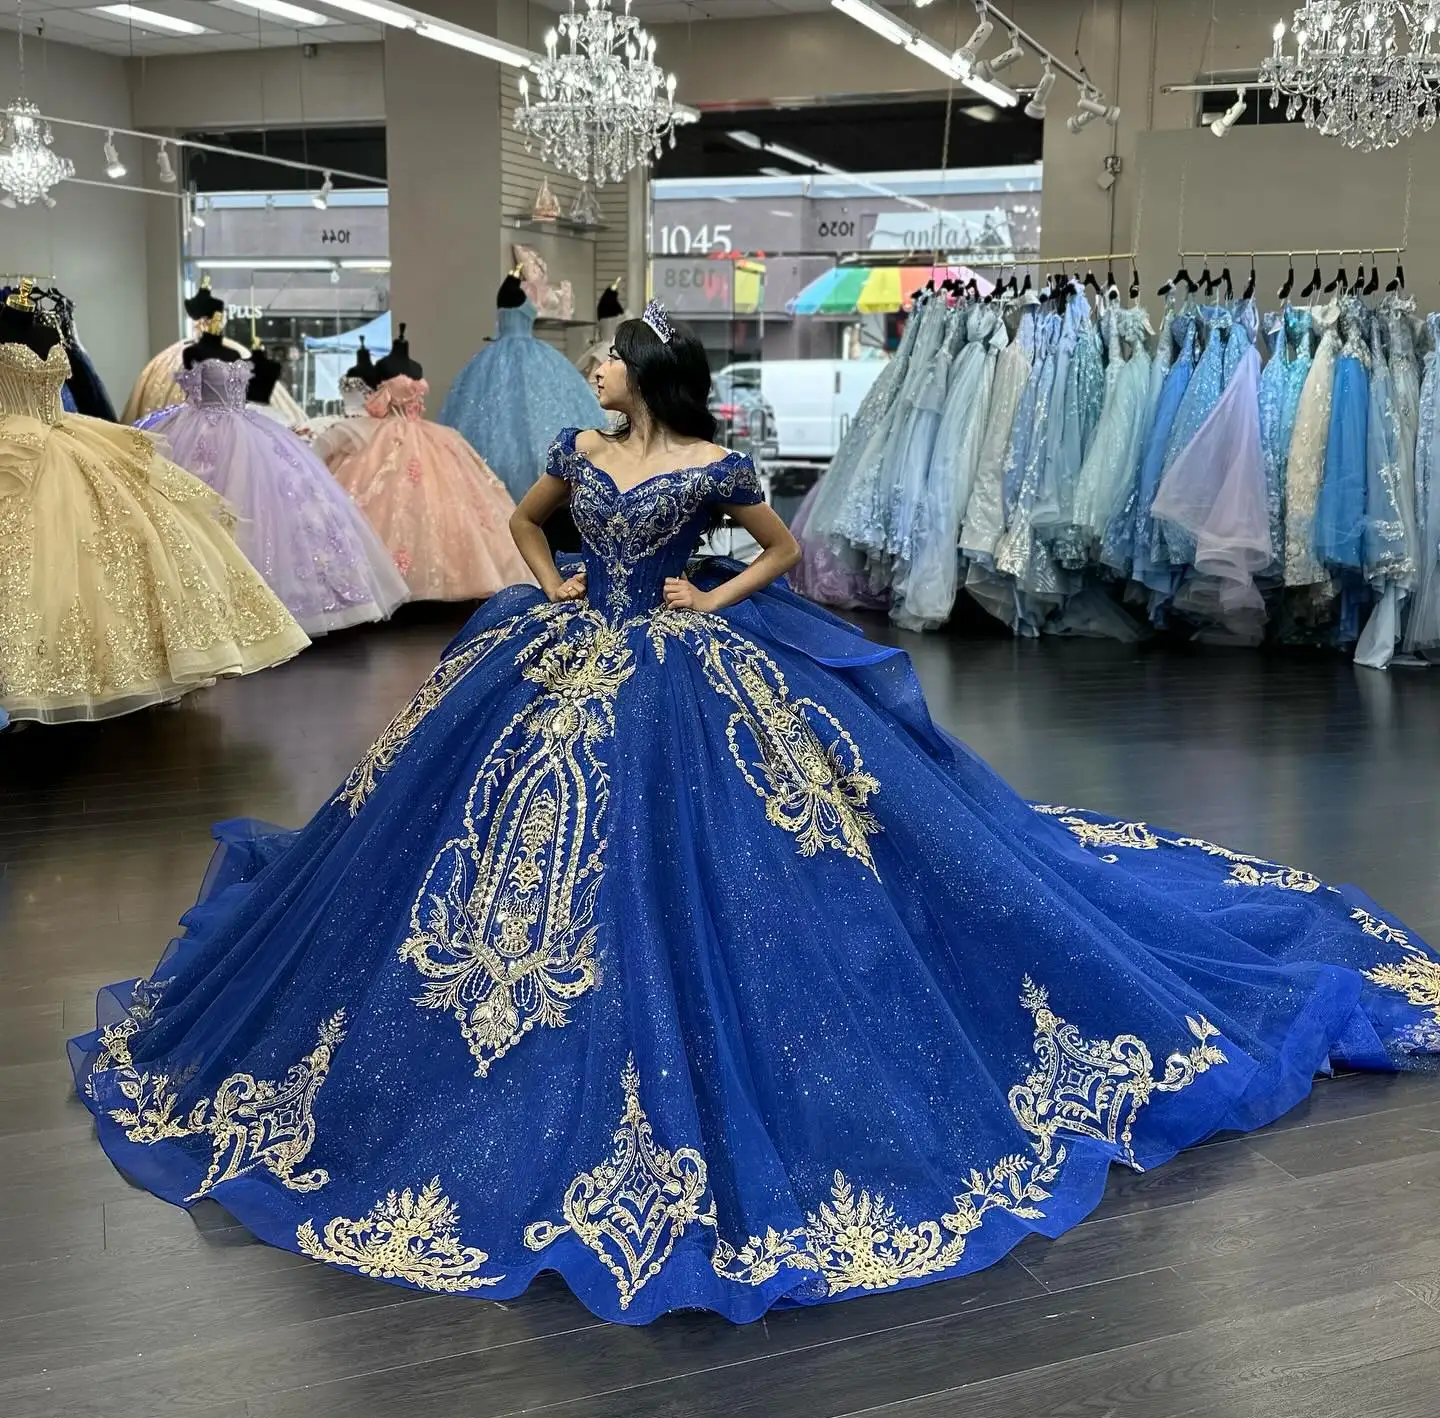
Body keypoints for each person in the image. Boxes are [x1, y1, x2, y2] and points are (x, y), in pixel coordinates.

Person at [71, 299, 1440, 1327]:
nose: (594, 368)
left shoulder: (717, 467)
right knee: (457, 844)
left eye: (610, 358)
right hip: (563, 655)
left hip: (685, 658)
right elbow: (528, 525)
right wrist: (550, 585)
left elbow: (782, 552)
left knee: (770, 844)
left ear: (648, 373)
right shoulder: (575, 449)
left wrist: (709, 596)